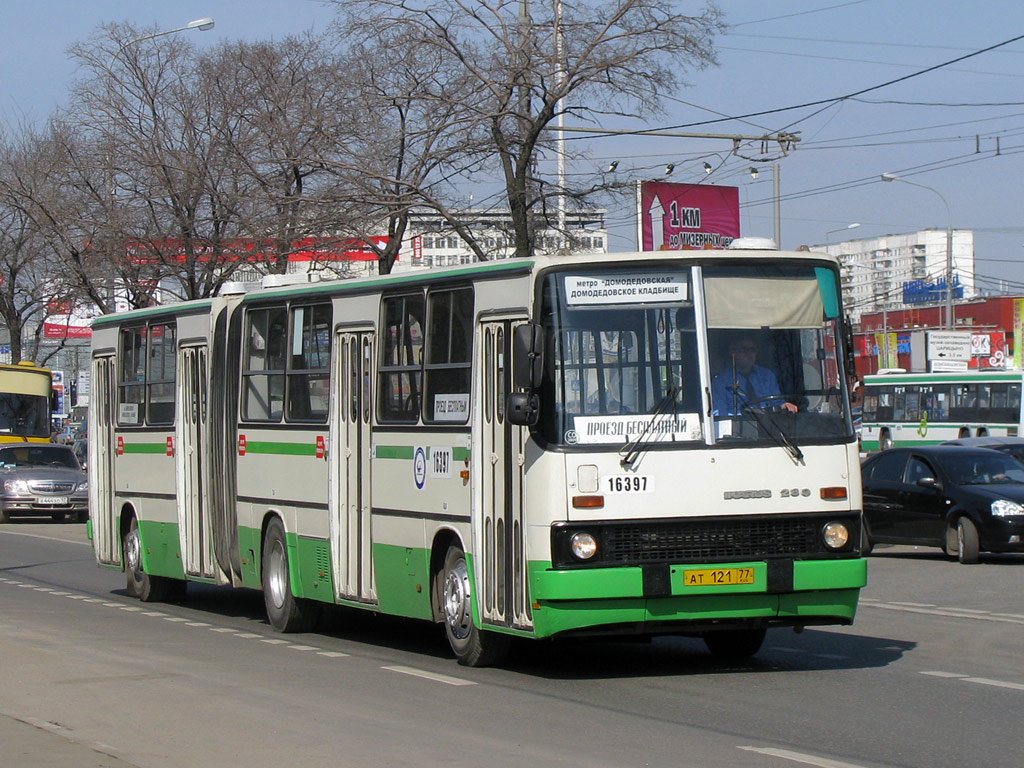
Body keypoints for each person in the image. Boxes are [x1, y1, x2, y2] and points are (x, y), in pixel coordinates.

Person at [711, 336, 798, 416]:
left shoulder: (767, 375)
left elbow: (777, 402)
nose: (748, 353)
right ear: (732, 353)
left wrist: (785, 405)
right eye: (743, 349)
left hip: (769, 426)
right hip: (739, 428)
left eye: (752, 350)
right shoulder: (720, 381)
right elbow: (720, 415)